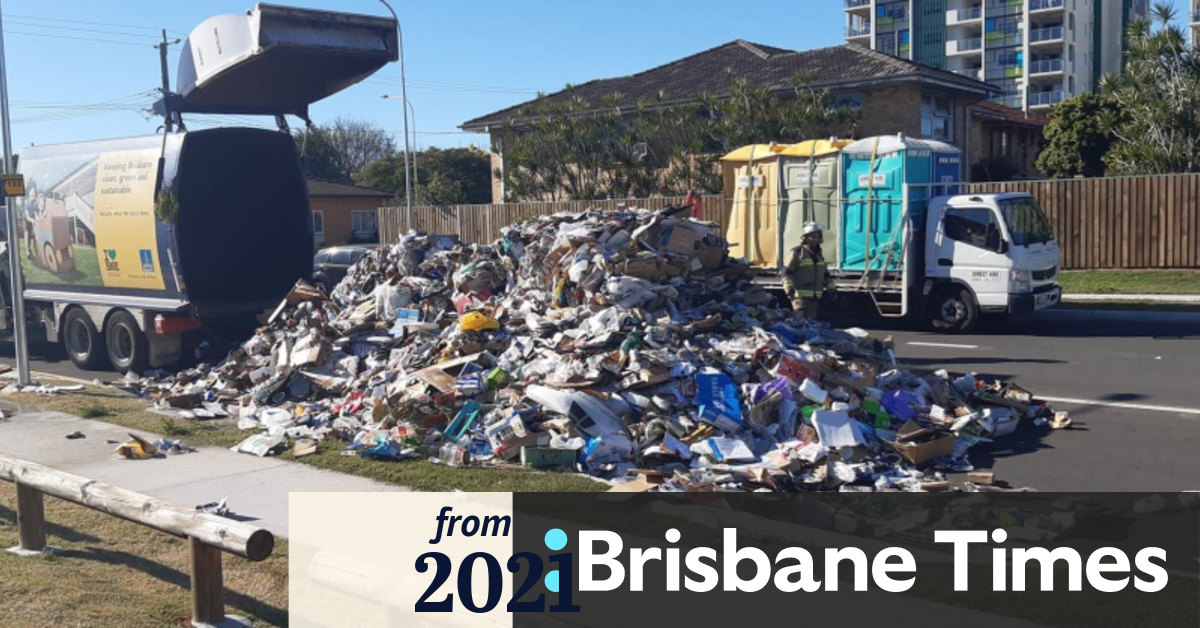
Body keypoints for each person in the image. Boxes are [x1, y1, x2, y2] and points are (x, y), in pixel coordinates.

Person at [783, 221, 835, 319]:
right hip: (801, 299)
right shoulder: (797, 252)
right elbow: (786, 272)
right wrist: (789, 290)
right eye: (812, 236)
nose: (815, 239)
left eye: (817, 236)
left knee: (810, 326)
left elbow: (825, 274)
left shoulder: (819, 255)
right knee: (801, 325)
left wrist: (831, 289)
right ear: (805, 238)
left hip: (814, 299)